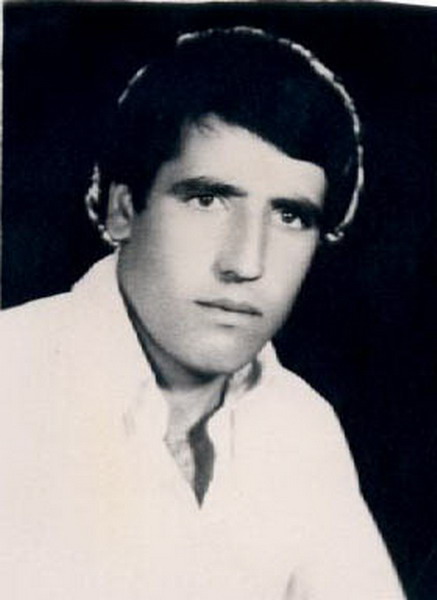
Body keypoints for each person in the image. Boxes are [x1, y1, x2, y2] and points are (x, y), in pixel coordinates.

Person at [0, 26, 405, 599]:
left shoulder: (300, 425)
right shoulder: (10, 378)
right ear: (122, 210)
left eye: (290, 216)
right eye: (208, 199)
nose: (246, 262)